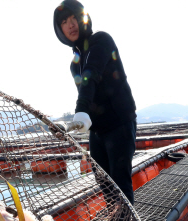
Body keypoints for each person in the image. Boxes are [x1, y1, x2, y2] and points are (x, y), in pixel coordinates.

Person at [53, 0, 137, 204]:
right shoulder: (75, 65)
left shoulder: (101, 40)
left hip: (119, 124)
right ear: (60, 29)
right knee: (104, 184)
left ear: (83, 19)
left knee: (120, 183)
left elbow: (92, 75)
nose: (71, 24)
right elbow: (85, 92)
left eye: (74, 18)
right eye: (64, 21)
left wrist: (80, 111)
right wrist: (75, 123)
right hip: (98, 132)